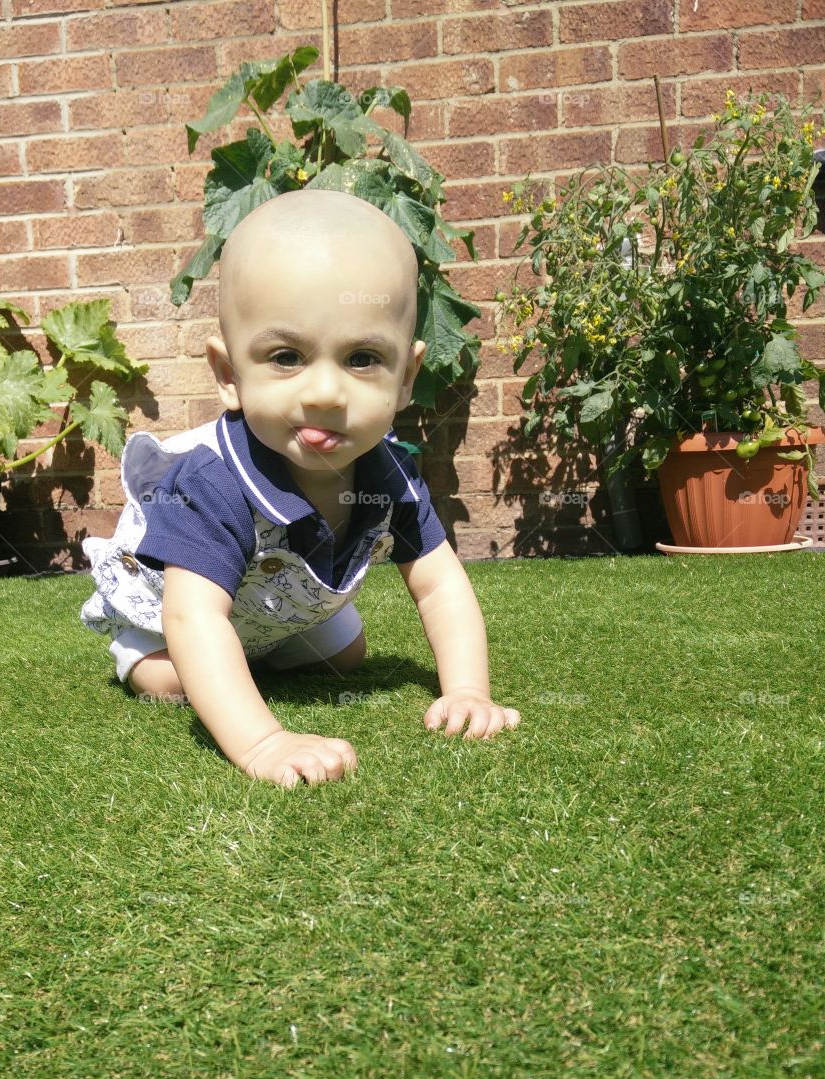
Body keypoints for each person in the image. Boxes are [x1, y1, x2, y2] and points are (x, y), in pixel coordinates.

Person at [80, 189, 520, 788]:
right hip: (171, 610)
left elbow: (440, 584)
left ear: (406, 378)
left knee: (349, 657)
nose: (324, 393)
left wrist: (468, 691)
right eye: (286, 356)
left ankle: (261, 651)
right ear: (230, 376)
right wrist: (265, 742)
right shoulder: (211, 481)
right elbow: (193, 617)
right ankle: (148, 654)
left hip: (275, 605)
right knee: (170, 678)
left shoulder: (389, 473)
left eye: (363, 358)